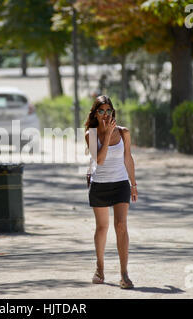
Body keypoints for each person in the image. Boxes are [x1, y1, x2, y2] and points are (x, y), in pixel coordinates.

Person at [84, 95, 138, 289]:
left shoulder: (124, 133)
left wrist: (133, 184)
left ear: (113, 112)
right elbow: (99, 160)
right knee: (102, 228)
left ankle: (124, 274)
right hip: (100, 184)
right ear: (95, 114)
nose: (105, 114)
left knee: (121, 226)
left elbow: (128, 158)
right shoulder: (90, 135)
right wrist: (106, 136)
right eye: (101, 111)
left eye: (109, 111)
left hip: (121, 183)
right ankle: (100, 268)